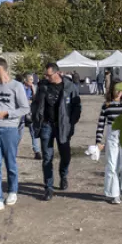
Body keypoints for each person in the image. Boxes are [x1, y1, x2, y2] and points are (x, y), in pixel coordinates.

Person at [0, 58, 30, 213]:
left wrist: (7, 114)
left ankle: (13, 191)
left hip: (9, 130)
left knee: (10, 162)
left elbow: (25, 108)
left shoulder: (17, 86)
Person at [33, 62, 82, 201]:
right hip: (46, 126)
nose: (46, 77)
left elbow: (77, 106)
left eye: (49, 75)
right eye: (45, 75)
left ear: (57, 73)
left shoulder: (69, 87)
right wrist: (35, 117)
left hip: (63, 126)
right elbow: (36, 103)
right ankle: (48, 187)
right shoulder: (42, 86)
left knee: (65, 155)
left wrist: (71, 122)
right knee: (47, 157)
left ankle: (63, 175)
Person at [95, 79, 122, 204]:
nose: (118, 92)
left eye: (121, 89)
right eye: (116, 89)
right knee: (112, 165)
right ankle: (113, 193)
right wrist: (98, 141)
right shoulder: (106, 105)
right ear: (111, 90)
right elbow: (101, 123)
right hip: (112, 136)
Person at [18, 73, 41, 160]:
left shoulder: (33, 88)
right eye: (30, 80)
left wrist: (33, 90)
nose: (32, 81)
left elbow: (35, 99)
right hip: (22, 114)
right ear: (26, 80)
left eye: (32, 80)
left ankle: (37, 151)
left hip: (30, 113)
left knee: (33, 132)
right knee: (19, 133)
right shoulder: (21, 87)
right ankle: (12, 149)